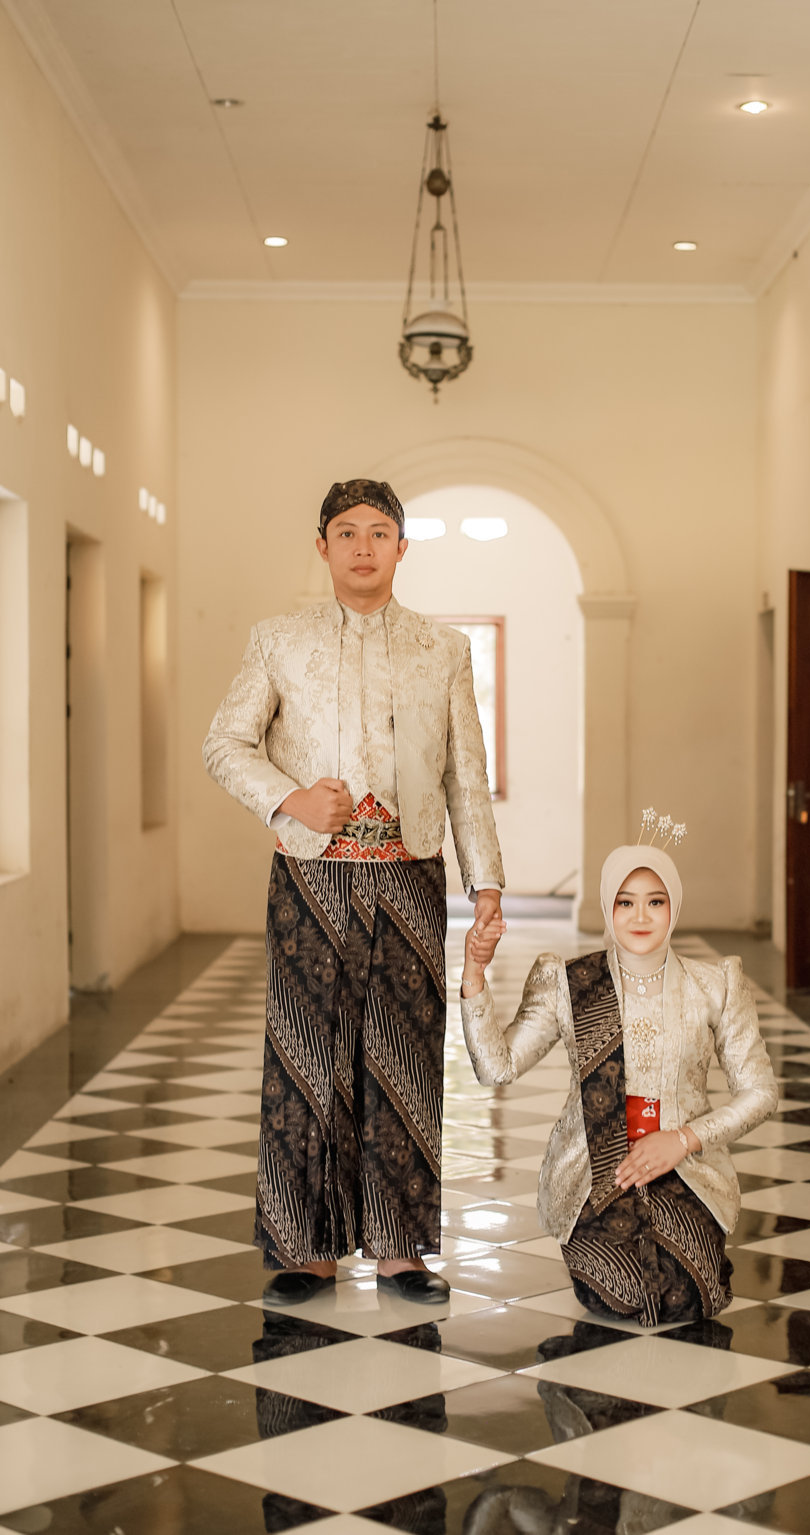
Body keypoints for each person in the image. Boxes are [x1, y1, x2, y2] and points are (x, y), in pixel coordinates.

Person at [203, 478, 504, 1307]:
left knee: (404, 1054)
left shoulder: (443, 649)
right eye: (346, 532)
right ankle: (307, 1251)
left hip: (410, 874)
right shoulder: (279, 640)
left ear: (402, 547)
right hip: (311, 874)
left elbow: (466, 776)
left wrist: (486, 881)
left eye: (379, 532)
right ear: (322, 546)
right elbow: (224, 743)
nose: (363, 546)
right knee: (309, 1054)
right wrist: (290, 798)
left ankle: (403, 1249)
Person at [459, 827, 776, 1327]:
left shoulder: (715, 986)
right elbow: (496, 1067)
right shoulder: (570, 983)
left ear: (674, 906)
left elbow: (760, 1093)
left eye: (655, 901)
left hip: (684, 1167)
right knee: (618, 1289)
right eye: (625, 902)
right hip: (596, 1171)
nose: (641, 916)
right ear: (608, 907)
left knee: (688, 1291)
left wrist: (683, 1140)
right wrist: (474, 975)